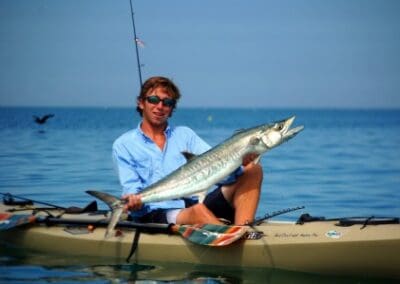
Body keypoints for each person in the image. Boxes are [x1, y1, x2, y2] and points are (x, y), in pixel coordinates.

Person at [112, 76, 263, 225]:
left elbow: (219, 173)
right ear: (141, 103)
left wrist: (239, 164)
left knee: (252, 170)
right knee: (198, 212)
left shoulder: (185, 135)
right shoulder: (124, 144)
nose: (160, 106)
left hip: (195, 204)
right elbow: (131, 189)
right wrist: (133, 201)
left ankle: (244, 231)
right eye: (153, 100)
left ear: (171, 109)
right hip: (155, 213)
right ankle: (230, 239)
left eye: (167, 102)